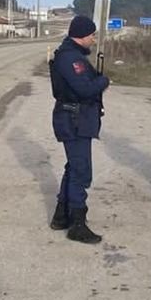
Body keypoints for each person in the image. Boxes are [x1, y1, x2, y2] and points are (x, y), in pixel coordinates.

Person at [49, 15, 110, 244]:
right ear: (82, 35)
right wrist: (103, 82)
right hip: (74, 119)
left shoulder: (72, 55)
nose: (93, 39)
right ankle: (77, 223)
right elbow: (84, 88)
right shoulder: (70, 58)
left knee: (74, 166)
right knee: (81, 171)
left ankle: (61, 215)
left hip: (76, 118)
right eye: (92, 35)